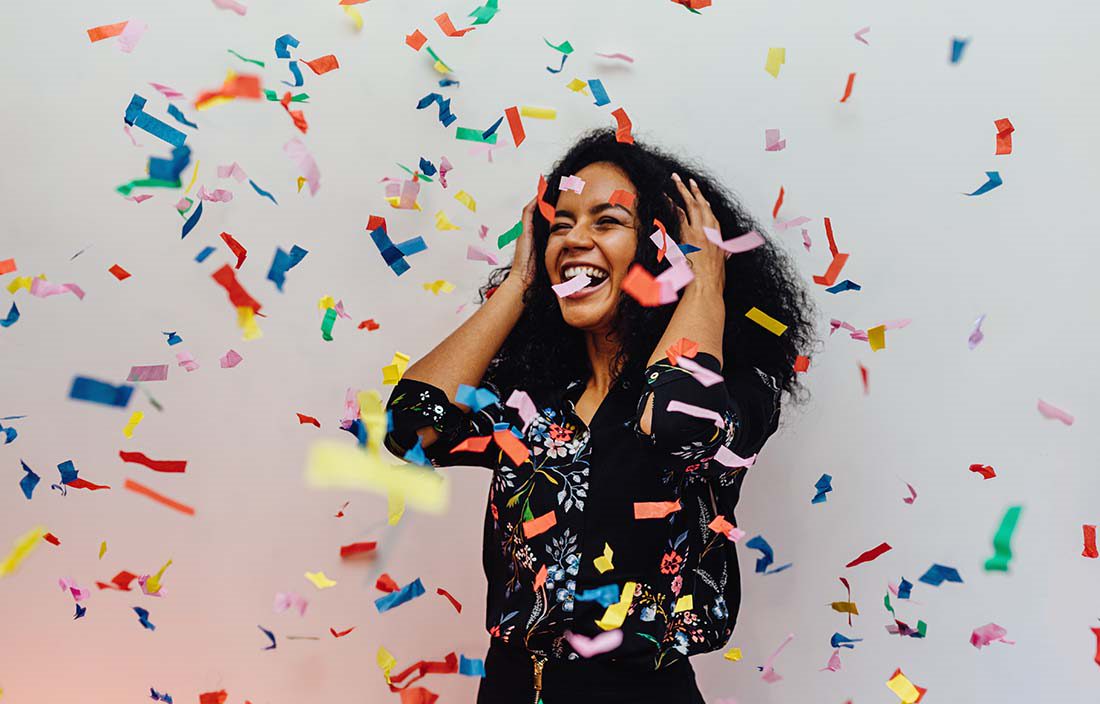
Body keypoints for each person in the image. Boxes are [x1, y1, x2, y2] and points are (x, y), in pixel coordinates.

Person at [384, 129, 815, 703]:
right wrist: (520, 284)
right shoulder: (531, 397)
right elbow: (411, 426)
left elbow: (674, 421)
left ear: (661, 249)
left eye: (606, 222)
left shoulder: (739, 387)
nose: (575, 238)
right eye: (560, 225)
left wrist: (705, 279)